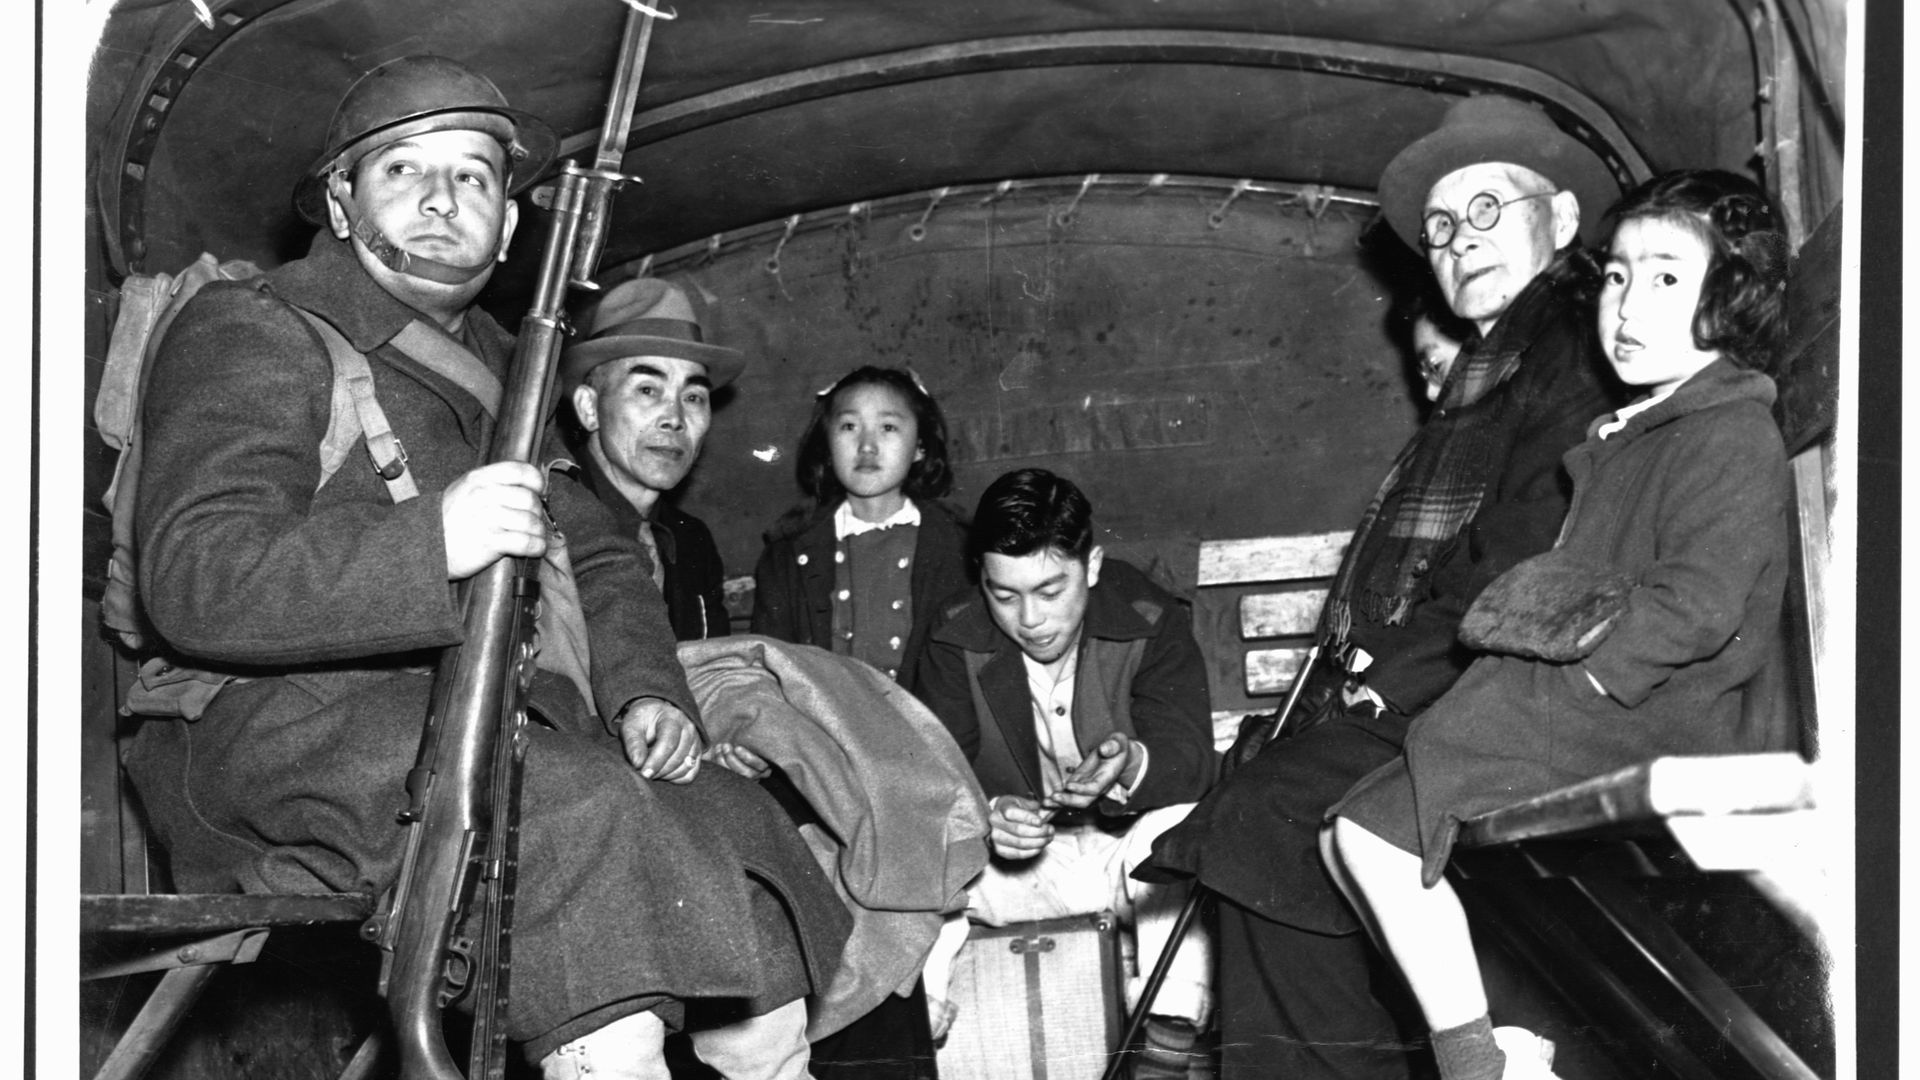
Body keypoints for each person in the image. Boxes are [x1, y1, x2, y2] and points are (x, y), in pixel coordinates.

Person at [121, 55, 850, 1080]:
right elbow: (196, 574)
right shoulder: (258, 328)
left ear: (509, 226)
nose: (439, 199)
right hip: (279, 725)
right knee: (578, 815)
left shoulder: (508, 362)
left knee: (728, 816)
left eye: (472, 176)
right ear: (340, 200)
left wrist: (645, 691)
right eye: (401, 170)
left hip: (478, 722)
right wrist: (435, 543)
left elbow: (596, 549)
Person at [1142, 93, 1629, 1079]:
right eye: (1443, 227)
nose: (1459, 241)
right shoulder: (1492, 375)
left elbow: (1535, 553)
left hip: (1540, 691)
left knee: (1270, 812)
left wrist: (1383, 682)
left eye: (1490, 208)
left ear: (1564, 221)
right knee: (1259, 805)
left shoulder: (1577, 353)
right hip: (1469, 679)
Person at [1326, 169, 1794, 1080]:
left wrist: (1579, 678)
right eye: (1616, 276)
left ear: (1731, 296)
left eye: (1665, 277)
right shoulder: (1642, 430)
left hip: (1655, 710)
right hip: (1596, 696)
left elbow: (1699, 606)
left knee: (1373, 833)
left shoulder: (1728, 432)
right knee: (1349, 839)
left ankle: (1477, 1062)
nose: (1626, 304)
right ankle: (1503, 1044)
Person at [916, 468, 1216, 1076]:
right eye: (1005, 595)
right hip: (1012, 870)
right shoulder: (952, 634)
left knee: (1182, 831)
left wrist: (1131, 763)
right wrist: (988, 816)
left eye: (1051, 591)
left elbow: (1189, 762)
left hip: (1121, 862)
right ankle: (921, 1026)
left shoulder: (1151, 616)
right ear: (982, 578)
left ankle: (1166, 1041)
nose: (1030, 619)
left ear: (1094, 564)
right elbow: (930, 772)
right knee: (920, 857)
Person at [751, 365, 972, 693]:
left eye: (888, 427)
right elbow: (767, 673)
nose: (867, 445)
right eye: (849, 426)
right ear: (827, 445)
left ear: (920, 447)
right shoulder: (787, 553)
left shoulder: (959, 545)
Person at [564, 275, 740, 642]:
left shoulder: (692, 542)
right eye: (648, 390)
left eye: (693, 397)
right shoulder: (550, 525)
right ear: (589, 407)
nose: (674, 418)